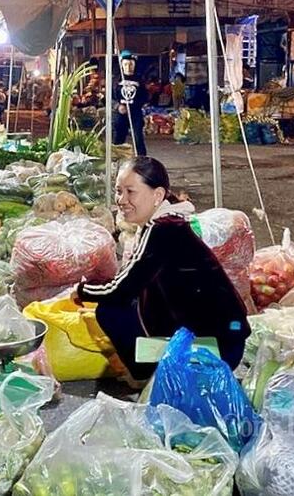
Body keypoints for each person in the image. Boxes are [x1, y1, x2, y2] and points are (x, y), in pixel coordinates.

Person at [72, 157, 250, 381]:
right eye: (119, 191)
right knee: (132, 304)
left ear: (157, 195)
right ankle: (152, 371)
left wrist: (82, 290)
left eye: (130, 191)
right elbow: (134, 280)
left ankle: (146, 376)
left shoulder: (164, 230)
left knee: (111, 310)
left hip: (219, 348)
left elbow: (121, 288)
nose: (121, 200)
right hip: (224, 338)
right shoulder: (167, 223)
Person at [113, 50, 148, 156]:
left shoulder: (140, 80)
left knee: (138, 139)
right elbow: (109, 98)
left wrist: (138, 104)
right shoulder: (116, 80)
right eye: (126, 64)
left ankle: (142, 160)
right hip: (121, 115)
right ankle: (117, 160)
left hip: (135, 113)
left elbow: (145, 96)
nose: (128, 67)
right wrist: (117, 106)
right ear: (122, 65)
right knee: (118, 139)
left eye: (131, 64)